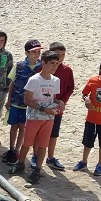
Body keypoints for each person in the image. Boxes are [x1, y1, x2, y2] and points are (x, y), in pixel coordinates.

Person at [8, 50, 63, 184]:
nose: (54, 66)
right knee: (27, 143)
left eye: (56, 64)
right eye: (52, 63)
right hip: (34, 117)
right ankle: (20, 163)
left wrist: (60, 103)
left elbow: (52, 98)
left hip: (48, 119)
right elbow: (27, 100)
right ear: (43, 63)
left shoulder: (56, 80)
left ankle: (37, 169)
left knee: (43, 145)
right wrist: (43, 109)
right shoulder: (34, 80)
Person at [2, 40, 43, 165]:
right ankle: (11, 149)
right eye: (33, 52)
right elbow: (12, 83)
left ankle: (17, 150)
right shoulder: (19, 65)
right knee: (14, 126)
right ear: (26, 53)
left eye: (38, 52)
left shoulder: (41, 67)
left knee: (22, 127)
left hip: (30, 105)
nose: (36, 54)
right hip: (16, 101)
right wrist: (9, 100)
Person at [39, 42, 75, 171]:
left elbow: (70, 88)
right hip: (42, 106)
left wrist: (62, 101)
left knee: (53, 134)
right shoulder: (42, 68)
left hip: (57, 108)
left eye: (63, 55)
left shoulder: (67, 70)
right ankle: (36, 156)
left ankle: (50, 157)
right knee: (39, 133)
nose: (60, 58)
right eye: (58, 55)